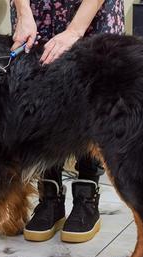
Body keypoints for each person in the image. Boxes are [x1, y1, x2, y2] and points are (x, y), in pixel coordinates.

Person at [10, 0, 124, 243]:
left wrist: (74, 31)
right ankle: (50, 198)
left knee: (88, 101)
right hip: (37, 12)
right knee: (40, 100)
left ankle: (86, 198)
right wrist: (23, 11)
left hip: (90, 14)